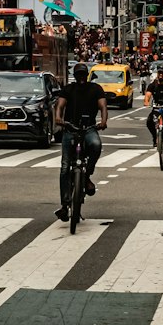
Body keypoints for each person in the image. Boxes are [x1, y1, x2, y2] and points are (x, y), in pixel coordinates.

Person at [54, 62, 108, 221]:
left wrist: (103, 121)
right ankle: (65, 205)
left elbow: (103, 106)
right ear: (75, 76)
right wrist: (58, 118)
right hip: (71, 129)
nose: (81, 78)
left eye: (83, 75)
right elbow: (60, 105)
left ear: (87, 75)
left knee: (96, 145)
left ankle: (86, 176)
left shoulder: (95, 89)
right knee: (65, 167)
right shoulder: (68, 89)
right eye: (78, 75)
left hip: (89, 128)